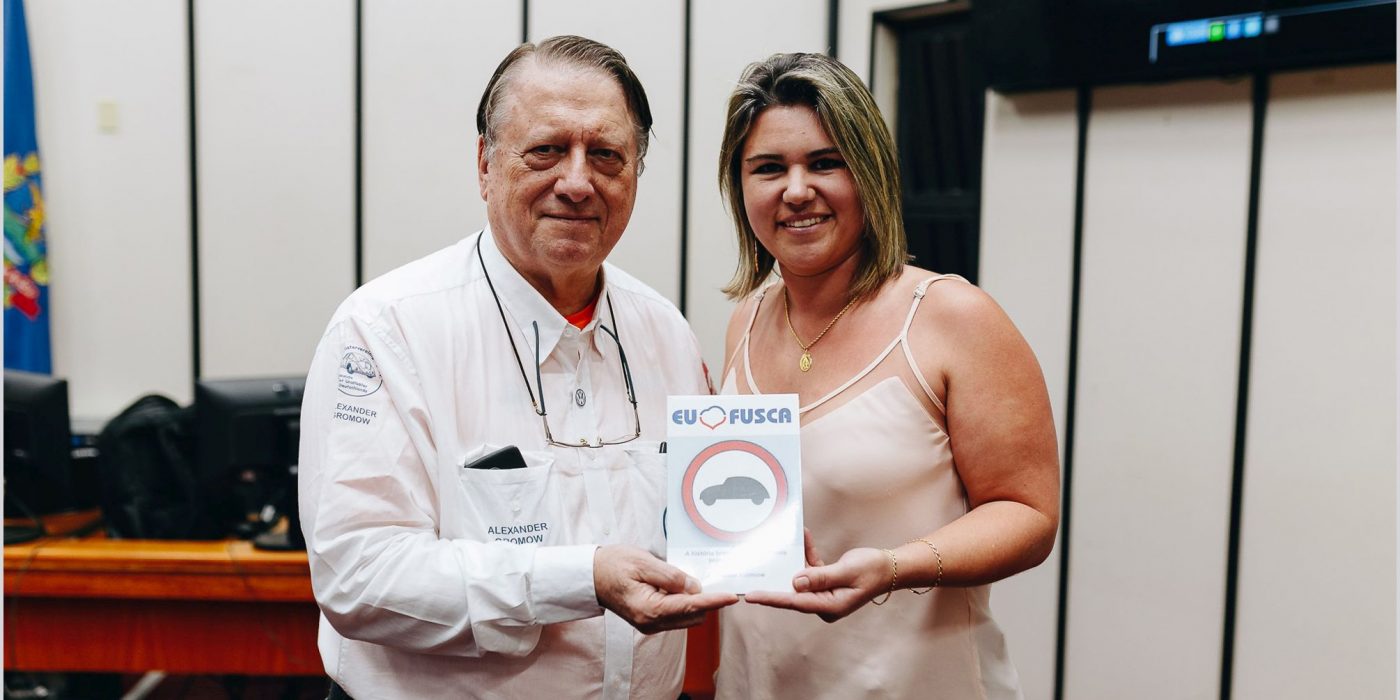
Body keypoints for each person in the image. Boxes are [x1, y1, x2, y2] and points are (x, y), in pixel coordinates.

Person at [298, 35, 738, 700]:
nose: (578, 182)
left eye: (607, 155)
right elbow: (359, 575)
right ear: (485, 164)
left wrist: (757, 538)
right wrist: (582, 579)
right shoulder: (387, 329)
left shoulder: (664, 332)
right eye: (546, 150)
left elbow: (699, 524)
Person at [711, 53, 1060, 699]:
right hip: (759, 680)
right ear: (741, 188)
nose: (796, 190)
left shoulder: (953, 316)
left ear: (868, 172)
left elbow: (1028, 514)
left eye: (825, 163)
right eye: (769, 168)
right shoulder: (746, 321)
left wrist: (895, 567)